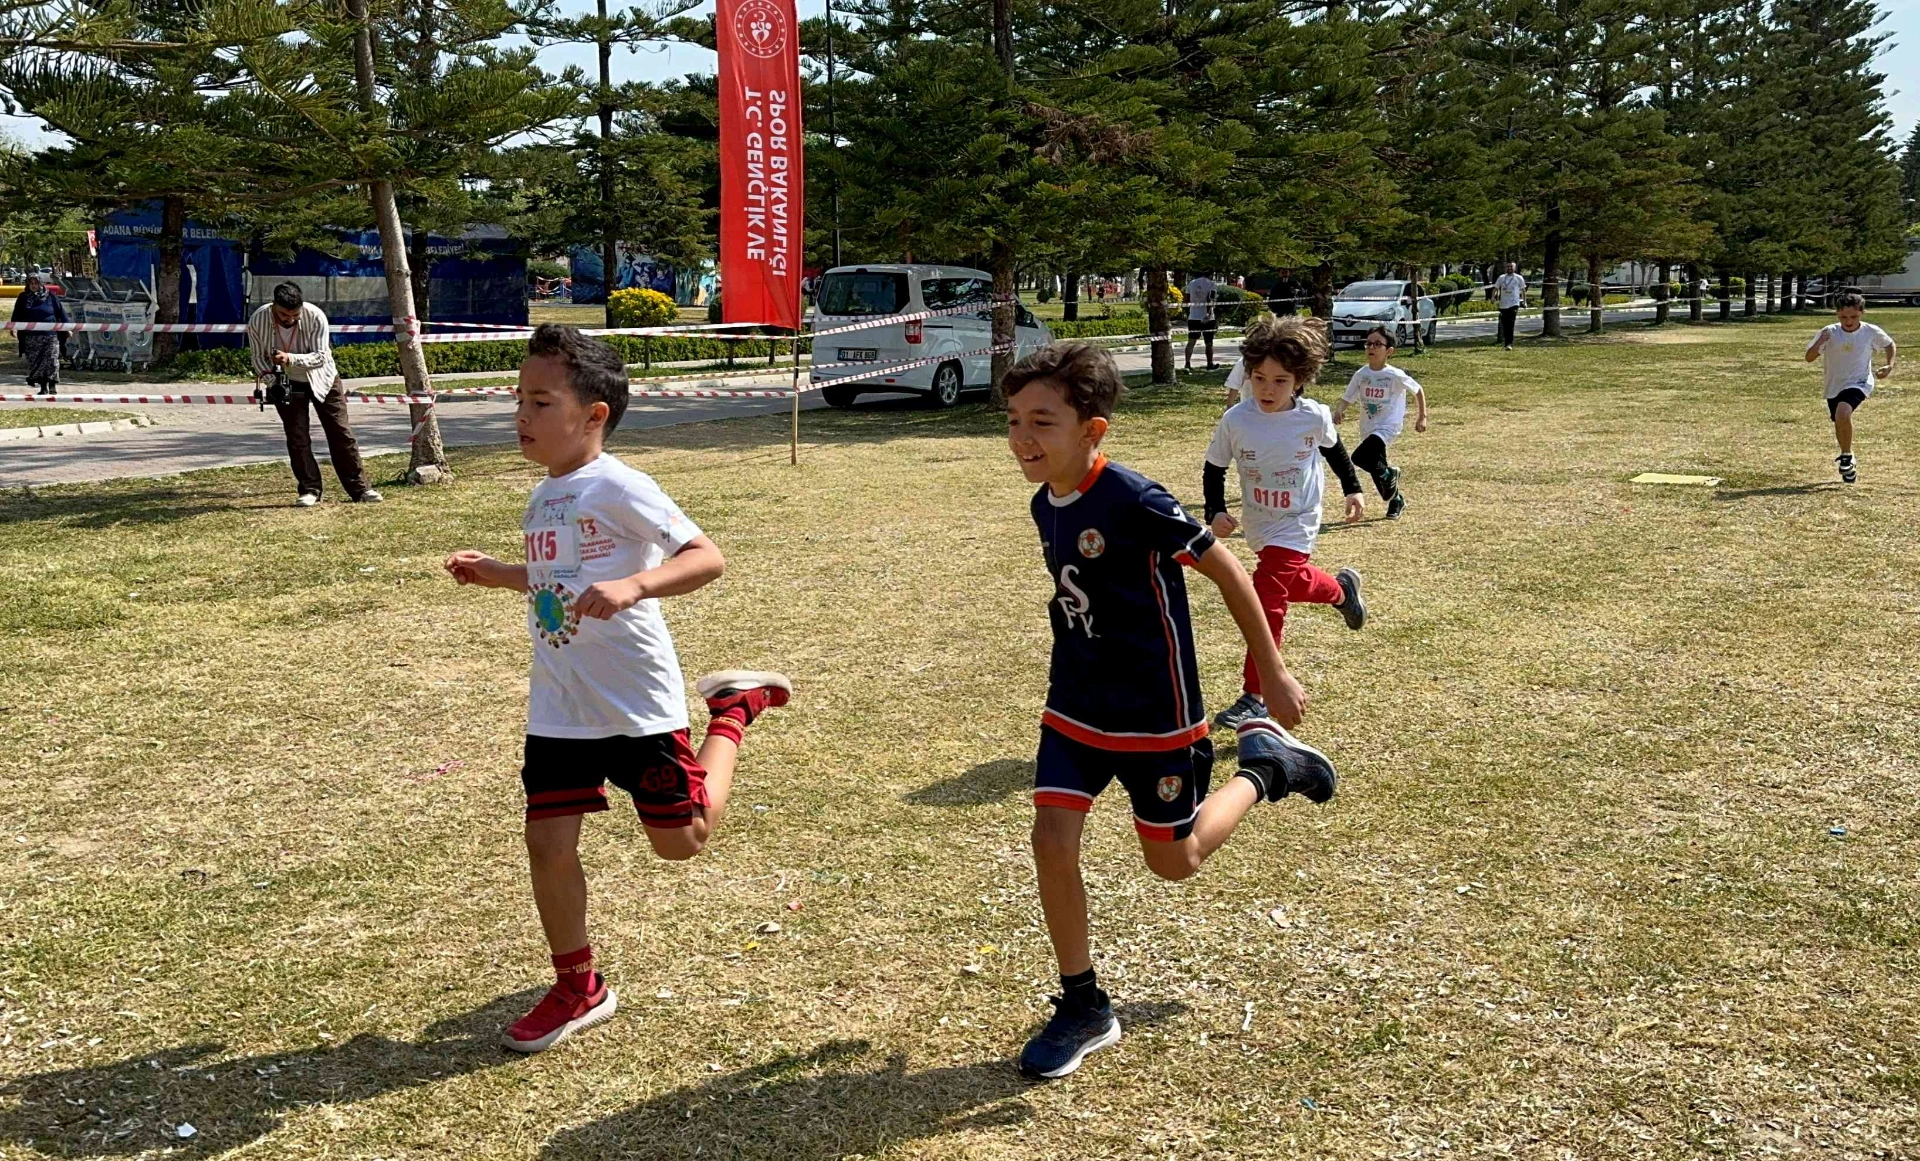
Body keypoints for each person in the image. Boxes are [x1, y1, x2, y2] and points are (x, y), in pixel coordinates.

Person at [444, 324, 793, 1054]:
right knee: (546, 840)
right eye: (519, 399)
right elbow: (554, 580)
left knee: (682, 841)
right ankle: (579, 985)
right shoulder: (545, 496)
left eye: (540, 402)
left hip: (634, 701)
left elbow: (708, 557)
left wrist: (636, 583)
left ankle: (732, 712)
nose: (522, 416)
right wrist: (498, 572)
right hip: (562, 704)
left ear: (593, 413)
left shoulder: (621, 485)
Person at [1004, 341, 1338, 1081]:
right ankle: (1084, 1004)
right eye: (1015, 420)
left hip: (1157, 715)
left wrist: (1274, 671)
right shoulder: (1042, 502)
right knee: (1051, 839)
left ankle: (1264, 771)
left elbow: (1225, 569)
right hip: (1075, 704)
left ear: (1092, 430)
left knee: (1175, 861)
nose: (1024, 437)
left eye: (1044, 421)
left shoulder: (1134, 497)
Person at [1204, 315, 1370, 731]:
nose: (1267, 389)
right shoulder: (1237, 419)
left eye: (1280, 381)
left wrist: (1353, 489)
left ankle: (1255, 694)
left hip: (1299, 519)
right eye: (1259, 378)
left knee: (1268, 592)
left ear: (1300, 379)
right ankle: (1340, 592)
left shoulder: (1312, 417)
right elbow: (1214, 466)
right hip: (1260, 522)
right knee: (1288, 582)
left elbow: (1335, 451)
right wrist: (1214, 510)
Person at [247, 282, 381, 506]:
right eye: (283, 315)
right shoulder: (257, 320)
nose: (289, 319)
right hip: (286, 381)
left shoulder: (316, 316)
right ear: (273, 307)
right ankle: (310, 490)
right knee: (297, 437)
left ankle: (360, 489)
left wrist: (290, 358)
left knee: (341, 433)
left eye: (294, 315)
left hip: (323, 379)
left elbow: (320, 356)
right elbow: (258, 357)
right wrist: (273, 382)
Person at [1334, 326, 1428, 519]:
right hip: (1368, 427)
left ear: (1389, 351)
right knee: (1377, 467)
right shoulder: (1361, 374)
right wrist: (1339, 411)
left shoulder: (1394, 375)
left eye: (1378, 344)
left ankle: (1389, 475)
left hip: (1388, 426)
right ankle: (1396, 500)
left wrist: (1422, 416)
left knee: (1359, 457)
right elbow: (1348, 396)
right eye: (1368, 343)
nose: (1372, 347)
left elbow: (1417, 390)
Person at [1804, 292, 1896, 484]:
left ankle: (1846, 457)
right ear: (1837, 314)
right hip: (1834, 384)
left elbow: (1889, 344)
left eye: (1853, 316)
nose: (1848, 321)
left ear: (1862, 313)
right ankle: (1847, 455)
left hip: (1859, 381)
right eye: (1843, 317)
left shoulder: (1870, 331)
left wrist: (1889, 365)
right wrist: (1821, 342)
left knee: (1843, 413)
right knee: (1839, 420)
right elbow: (1809, 357)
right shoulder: (1829, 332)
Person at [11, 273, 67, 395]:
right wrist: (14, 327)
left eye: (36, 283)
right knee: (37, 361)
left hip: (50, 335)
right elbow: (17, 314)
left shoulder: (50, 296)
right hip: (32, 336)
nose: (33, 286)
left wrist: (67, 327)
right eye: (31, 283)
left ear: (40, 283)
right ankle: (43, 387)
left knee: (52, 360)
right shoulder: (23, 298)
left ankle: (52, 385)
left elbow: (60, 312)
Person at [1184, 272, 1218, 371]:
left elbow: (1186, 299)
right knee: (1209, 342)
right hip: (1208, 318)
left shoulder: (1191, 283)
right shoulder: (1212, 284)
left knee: (1191, 341)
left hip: (1193, 316)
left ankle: (1187, 363)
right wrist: (1208, 314)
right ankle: (1210, 364)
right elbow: (1210, 300)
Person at [1494, 262, 1527, 351]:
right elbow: (1496, 288)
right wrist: (1494, 296)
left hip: (1514, 303)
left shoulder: (1519, 278)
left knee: (1511, 323)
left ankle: (1509, 344)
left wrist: (1524, 301)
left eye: (1511, 266)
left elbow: (1523, 290)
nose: (1509, 268)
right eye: (1508, 266)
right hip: (1503, 304)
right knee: (1505, 325)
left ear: (1514, 268)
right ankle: (1506, 343)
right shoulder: (1501, 277)